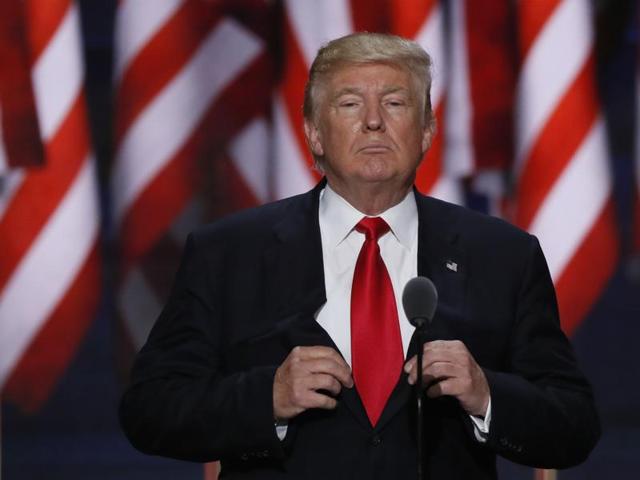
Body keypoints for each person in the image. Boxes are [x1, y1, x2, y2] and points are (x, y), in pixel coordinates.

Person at [120, 33, 600, 479]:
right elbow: (150, 409)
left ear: (427, 130)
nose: (374, 120)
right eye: (350, 104)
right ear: (314, 134)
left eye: (395, 103)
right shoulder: (228, 253)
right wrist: (267, 398)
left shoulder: (503, 255)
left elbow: (574, 423)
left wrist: (487, 395)